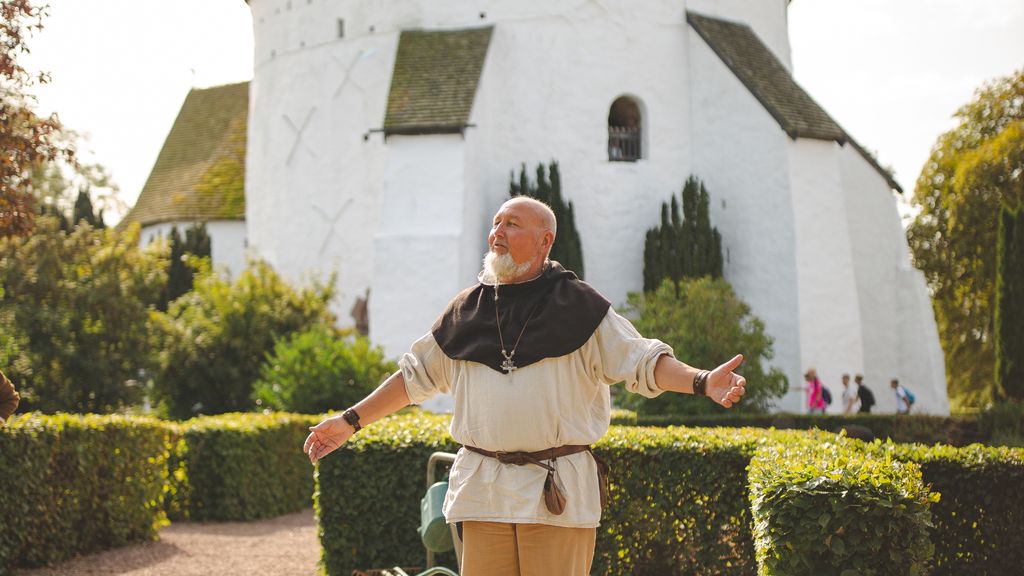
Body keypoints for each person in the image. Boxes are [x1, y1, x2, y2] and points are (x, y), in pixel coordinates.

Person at [303, 196, 747, 576]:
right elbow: (413, 377)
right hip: (483, 490)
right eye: (495, 223)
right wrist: (350, 420)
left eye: (512, 224)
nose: (497, 231)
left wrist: (702, 381)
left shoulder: (581, 307)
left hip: (554, 491)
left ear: (545, 240)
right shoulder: (466, 311)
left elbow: (644, 360)